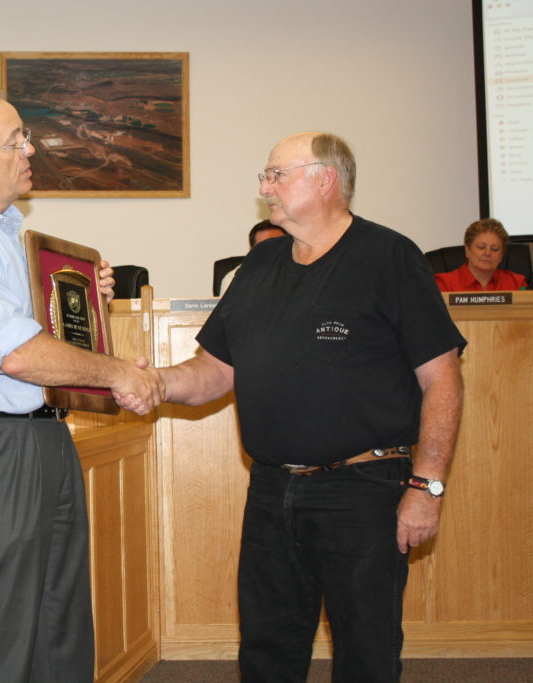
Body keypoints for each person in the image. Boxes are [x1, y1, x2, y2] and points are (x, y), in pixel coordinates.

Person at [137, 132, 465, 682]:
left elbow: (443, 380)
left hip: (364, 490)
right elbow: (214, 371)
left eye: (276, 174)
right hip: (271, 490)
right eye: (265, 176)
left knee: (365, 650)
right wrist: (155, 383)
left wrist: (427, 487)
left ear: (325, 179)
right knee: (267, 646)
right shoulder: (261, 265)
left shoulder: (389, 256)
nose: (264, 186)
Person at [0, 90, 163, 683]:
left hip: (42, 437)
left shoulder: (5, 233)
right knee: (4, 637)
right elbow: (17, 355)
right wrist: (121, 373)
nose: (31, 147)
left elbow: (37, 336)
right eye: (17, 137)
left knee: (60, 627)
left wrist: (79, 297)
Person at [434, 218, 528, 291]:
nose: (487, 253)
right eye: (481, 247)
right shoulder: (444, 284)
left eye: (495, 249)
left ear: (502, 255)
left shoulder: (517, 283)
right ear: (467, 250)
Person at [218, 219, 288, 294]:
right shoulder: (233, 279)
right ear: (252, 251)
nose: (272, 252)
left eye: (277, 245)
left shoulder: (299, 273)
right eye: (264, 247)